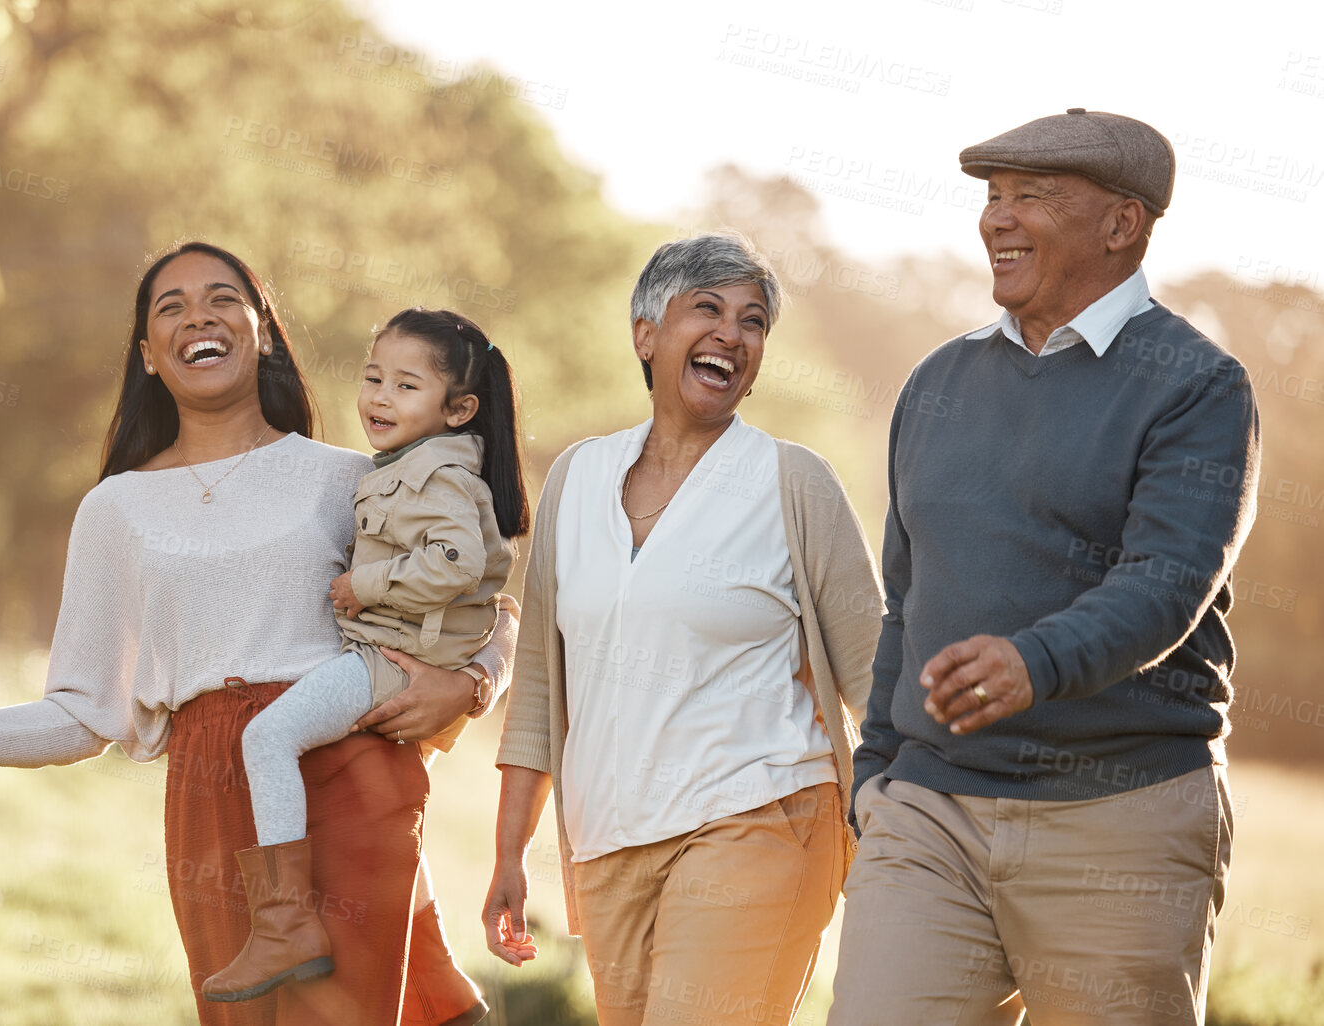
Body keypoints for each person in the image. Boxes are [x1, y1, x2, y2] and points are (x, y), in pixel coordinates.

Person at [0, 242, 517, 1026]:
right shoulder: (115, 511)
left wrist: (472, 683)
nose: (197, 316)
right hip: (208, 796)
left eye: (221, 299)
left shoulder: (348, 478)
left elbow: (488, 598)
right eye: (171, 306)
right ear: (147, 355)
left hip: (346, 766)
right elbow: (81, 711)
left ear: (262, 329)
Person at [828, 109, 1260, 1026]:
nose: (996, 219)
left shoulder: (1195, 384)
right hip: (929, 812)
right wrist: (876, 772)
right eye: (991, 197)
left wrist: (1033, 662)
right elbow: (907, 596)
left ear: (1120, 224)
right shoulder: (935, 383)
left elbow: (1166, 581)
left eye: (1032, 196)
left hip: (1118, 817)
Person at [486, 231, 884, 1026]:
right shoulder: (576, 477)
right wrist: (507, 854)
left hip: (761, 817)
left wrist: (915, 832)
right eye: (707, 308)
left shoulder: (790, 481)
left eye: (753, 321)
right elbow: (537, 682)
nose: (732, 335)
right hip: (607, 842)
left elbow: (877, 673)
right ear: (645, 332)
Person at [194, 308, 530, 1003]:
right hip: (396, 655)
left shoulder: (438, 475)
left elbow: (457, 560)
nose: (379, 396)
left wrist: (362, 584)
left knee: (269, 737)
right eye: (373, 377)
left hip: (392, 661)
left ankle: (284, 925)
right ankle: (436, 993)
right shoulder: (410, 465)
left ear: (458, 408)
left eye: (406, 386)